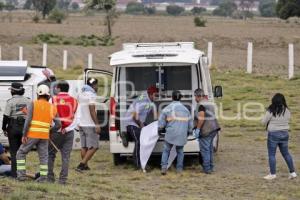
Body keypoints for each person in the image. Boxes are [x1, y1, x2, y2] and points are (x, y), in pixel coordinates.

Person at [16, 84, 61, 182]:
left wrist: (24, 134)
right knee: (44, 157)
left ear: (38, 95)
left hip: (32, 134)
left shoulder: (33, 104)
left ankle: (21, 176)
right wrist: (48, 130)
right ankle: (43, 178)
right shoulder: (52, 107)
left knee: (20, 153)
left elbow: (28, 121)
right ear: (48, 96)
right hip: (44, 136)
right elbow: (58, 125)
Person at [48, 81, 78, 184]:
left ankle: (50, 177)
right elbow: (77, 118)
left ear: (58, 88)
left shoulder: (53, 99)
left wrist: (55, 128)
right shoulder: (74, 101)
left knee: (50, 155)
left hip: (56, 131)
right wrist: (68, 128)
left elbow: (50, 116)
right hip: (69, 132)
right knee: (66, 157)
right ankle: (63, 180)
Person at [262, 93, 297, 180]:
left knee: (271, 154)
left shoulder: (271, 110)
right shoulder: (287, 110)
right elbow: (288, 119)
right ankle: (292, 172)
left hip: (273, 134)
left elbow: (263, 122)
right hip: (285, 134)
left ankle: (272, 174)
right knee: (286, 153)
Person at [122, 86, 158, 169]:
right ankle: (138, 164)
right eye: (155, 95)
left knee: (146, 136)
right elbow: (134, 116)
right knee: (139, 140)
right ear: (150, 94)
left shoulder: (150, 101)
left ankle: (127, 135)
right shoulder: (143, 100)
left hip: (139, 121)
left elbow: (155, 114)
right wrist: (141, 125)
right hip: (131, 122)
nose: (157, 97)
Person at [159, 90, 193, 175]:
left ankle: (164, 168)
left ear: (172, 97)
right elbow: (190, 124)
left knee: (166, 150)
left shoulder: (167, 108)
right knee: (180, 151)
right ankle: (179, 169)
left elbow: (161, 123)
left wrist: (160, 129)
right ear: (181, 98)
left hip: (171, 133)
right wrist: (189, 132)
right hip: (182, 134)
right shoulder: (186, 110)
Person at [1, 82, 31, 178]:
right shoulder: (28, 101)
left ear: (13, 91)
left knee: (14, 152)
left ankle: (14, 174)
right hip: (25, 128)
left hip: (13, 128)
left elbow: (6, 117)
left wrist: (4, 128)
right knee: (22, 152)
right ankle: (21, 173)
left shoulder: (10, 102)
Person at [76, 78, 101, 172]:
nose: (97, 87)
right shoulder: (91, 95)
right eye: (97, 85)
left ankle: (85, 166)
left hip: (81, 123)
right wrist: (97, 124)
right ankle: (81, 165)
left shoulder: (80, 93)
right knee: (94, 146)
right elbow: (92, 110)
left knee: (84, 146)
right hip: (89, 124)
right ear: (94, 85)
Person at [193, 88, 220, 174]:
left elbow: (201, 118)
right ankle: (211, 167)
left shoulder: (201, 105)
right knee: (210, 149)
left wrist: (197, 129)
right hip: (214, 128)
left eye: (195, 97)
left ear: (197, 96)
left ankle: (207, 169)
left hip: (206, 130)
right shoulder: (209, 102)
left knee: (205, 150)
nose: (195, 99)